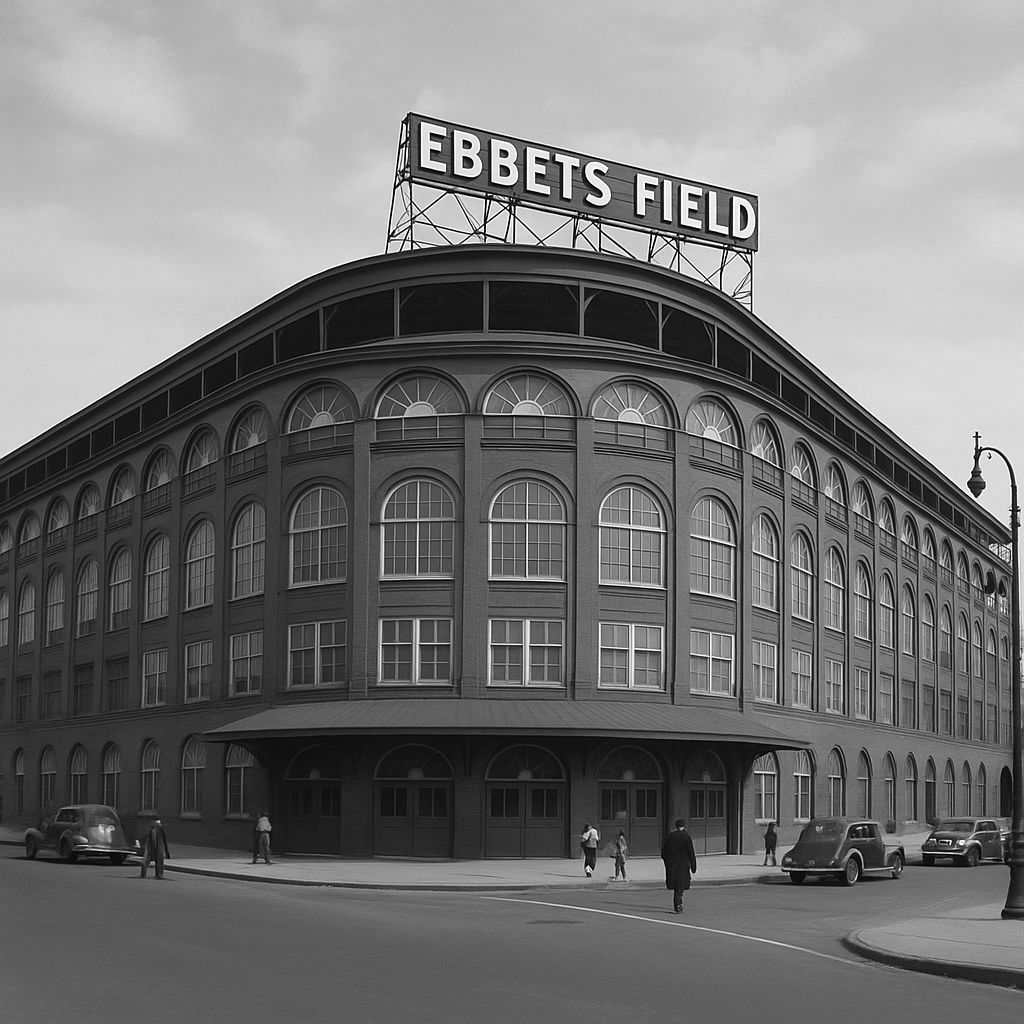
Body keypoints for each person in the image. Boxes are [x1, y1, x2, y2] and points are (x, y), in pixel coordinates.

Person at [660, 818, 697, 913]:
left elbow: (664, 852)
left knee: (676, 884)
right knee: (680, 885)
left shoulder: (670, 836)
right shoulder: (686, 837)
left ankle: (677, 902)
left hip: (672, 865)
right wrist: (693, 865)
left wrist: (667, 862)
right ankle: (678, 903)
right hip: (683, 865)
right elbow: (691, 852)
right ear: (684, 826)